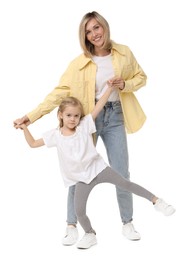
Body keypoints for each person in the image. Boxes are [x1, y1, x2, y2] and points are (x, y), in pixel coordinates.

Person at [14, 11, 148, 245]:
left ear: (104, 27)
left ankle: (127, 222)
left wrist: (125, 84)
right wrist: (31, 117)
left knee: (121, 171)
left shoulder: (124, 52)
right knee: (79, 173)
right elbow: (58, 94)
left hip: (116, 116)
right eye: (88, 31)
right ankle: (71, 225)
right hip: (88, 119)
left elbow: (141, 77)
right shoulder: (78, 64)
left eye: (97, 28)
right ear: (84, 36)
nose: (94, 34)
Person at [16, 86, 175, 249]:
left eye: (76, 116)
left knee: (126, 183)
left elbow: (99, 107)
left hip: (99, 169)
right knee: (79, 211)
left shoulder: (84, 126)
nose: (72, 119)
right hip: (81, 179)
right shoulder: (55, 135)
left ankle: (157, 201)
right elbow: (33, 143)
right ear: (60, 115)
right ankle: (90, 234)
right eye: (69, 115)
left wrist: (110, 89)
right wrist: (25, 128)